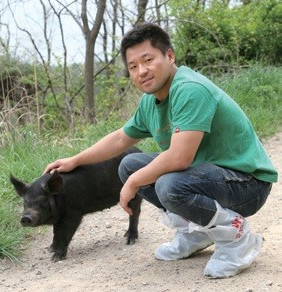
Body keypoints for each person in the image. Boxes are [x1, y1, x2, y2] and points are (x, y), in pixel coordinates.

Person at [44, 22, 278, 278]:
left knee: (168, 183)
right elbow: (121, 138)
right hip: (211, 177)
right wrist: (74, 160)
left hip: (247, 183)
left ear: (169, 55)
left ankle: (237, 238)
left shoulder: (189, 89)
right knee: (130, 164)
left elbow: (179, 158)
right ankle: (195, 233)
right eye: (133, 66)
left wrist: (134, 183)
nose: (141, 71)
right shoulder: (151, 101)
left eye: (148, 60)